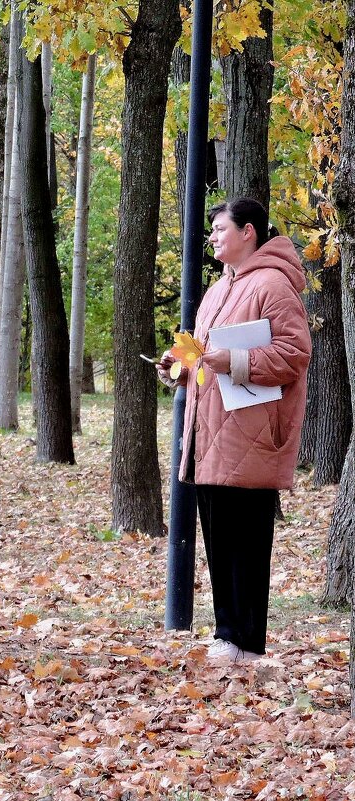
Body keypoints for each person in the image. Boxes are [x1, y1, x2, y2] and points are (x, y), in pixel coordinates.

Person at [158, 197, 311, 665]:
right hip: (208, 436)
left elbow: (293, 354)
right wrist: (180, 367)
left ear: (249, 232)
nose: (212, 237)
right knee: (219, 539)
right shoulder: (217, 290)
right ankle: (228, 636)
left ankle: (247, 641)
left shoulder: (274, 285)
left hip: (252, 434)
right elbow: (206, 353)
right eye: (211, 231)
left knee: (246, 543)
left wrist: (233, 362)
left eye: (221, 229)